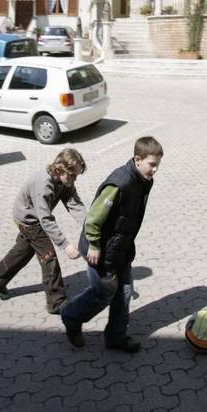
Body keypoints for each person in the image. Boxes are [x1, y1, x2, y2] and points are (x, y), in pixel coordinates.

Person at [61, 136, 164, 352]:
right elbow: (93, 220)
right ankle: (71, 316)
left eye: (158, 165)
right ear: (137, 159)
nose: (155, 170)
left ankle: (116, 337)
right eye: (152, 164)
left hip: (120, 249)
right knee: (103, 293)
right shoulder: (121, 183)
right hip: (98, 250)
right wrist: (95, 246)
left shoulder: (143, 180)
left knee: (124, 292)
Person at [0, 148, 87, 315]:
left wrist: (89, 224)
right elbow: (45, 219)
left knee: (23, 251)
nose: (74, 179)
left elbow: (73, 202)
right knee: (49, 257)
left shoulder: (65, 180)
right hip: (29, 221)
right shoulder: (44, 184)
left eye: (76, 176)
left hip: (36, 218)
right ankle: (57, 303)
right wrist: (65, 245)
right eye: (72, 175)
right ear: (61, 169)